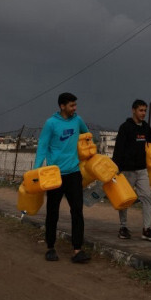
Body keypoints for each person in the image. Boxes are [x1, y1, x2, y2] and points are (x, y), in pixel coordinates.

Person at [34, 92, 91, 263]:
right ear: (62, 106)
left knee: (77, 212)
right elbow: (42, 147)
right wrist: (36, 171)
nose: (75, 108)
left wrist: (89, 156)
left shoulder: (77, 120)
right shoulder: (51, 124)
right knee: (53, 212)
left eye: (75, 105)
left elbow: (87, 136)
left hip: (74, 173)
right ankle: (50, 247)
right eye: (72, 105)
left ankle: (77, 249)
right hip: (54, 175)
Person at [112, 99, 151, 242]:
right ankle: (123, 227)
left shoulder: (146, 128)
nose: (143, 113)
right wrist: (116, 169)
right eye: (141, 110)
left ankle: (147, 228)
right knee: (125, 199)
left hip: (142, 170)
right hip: (127, 171)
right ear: (133, 110)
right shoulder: (125, 127)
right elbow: (119, 149)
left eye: (145, 110)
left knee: (146, 197)